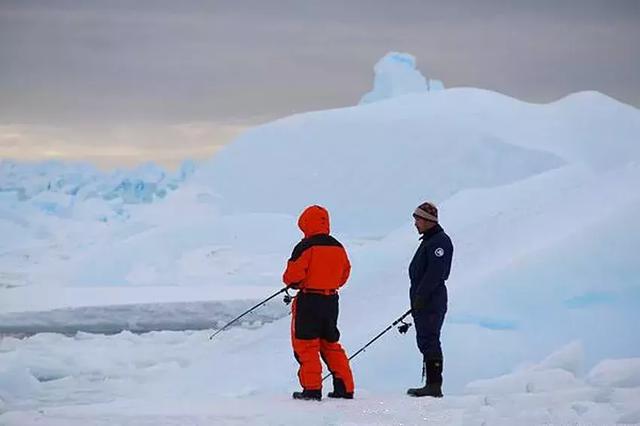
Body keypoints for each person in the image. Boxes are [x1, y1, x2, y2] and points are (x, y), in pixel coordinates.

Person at [283, 205, 355, 401]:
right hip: (331, 301)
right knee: (331, 344)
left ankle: (312, 389)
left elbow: (292, 277)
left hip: (309, 301)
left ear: (306, 223)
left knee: (307, 346)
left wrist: (301, 283)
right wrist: (329, 283)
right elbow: (344, 274)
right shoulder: (338, 247)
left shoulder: (305, 247)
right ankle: (345, 387)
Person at [406, 201, 453, 398]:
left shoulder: (438, 242)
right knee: (425, 339)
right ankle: (431, 384)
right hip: (426, 300)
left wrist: (421, 297)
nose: (415, 223)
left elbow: (436, 273)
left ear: (428, 221)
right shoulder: (430, 240)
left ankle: (434, 385)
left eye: (418, 219)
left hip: (431, 301)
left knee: (430, 339)